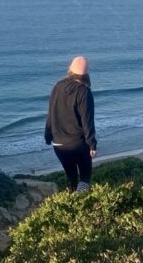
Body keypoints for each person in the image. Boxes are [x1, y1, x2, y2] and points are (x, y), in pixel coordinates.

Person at [44, 55, 97, 192]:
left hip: (59, 145)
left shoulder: (57, 86)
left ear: (70, 70)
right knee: (85, 177)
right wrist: (92, 144)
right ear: (86, 75)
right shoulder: (84, 91)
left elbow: (51, 113)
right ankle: (82, 205)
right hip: (78, 144)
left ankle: (72, 202)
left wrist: (48, 136)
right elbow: (87, 121)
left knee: (71, 177)